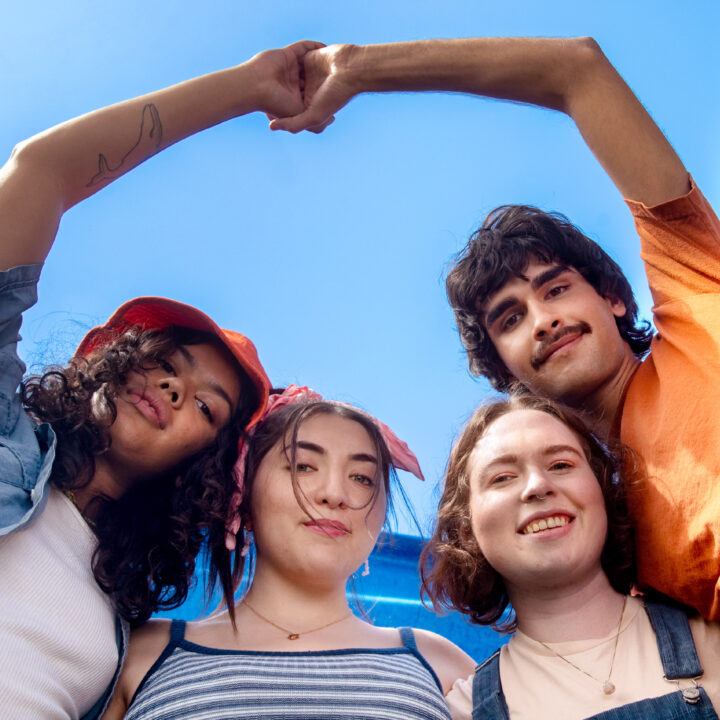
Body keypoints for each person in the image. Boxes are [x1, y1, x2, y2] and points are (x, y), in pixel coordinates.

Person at [268, 36, 720, 620]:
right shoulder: (590, 529)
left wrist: (355, 69)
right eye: (511, 318)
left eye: (556, 289)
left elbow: (577, 69)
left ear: (612, 297)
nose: (544, 319)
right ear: (502, 368)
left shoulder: (696, 298)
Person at [0, 41, 330, 719]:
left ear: (201, 462)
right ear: (116, 358)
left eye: (207, 409)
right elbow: (38, 172)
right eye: (166, 364)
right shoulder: (7, 437)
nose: (176, 392)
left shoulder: (126, 616)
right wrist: (247, 87)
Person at [102, 385, 475, 720]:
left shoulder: (439, 666)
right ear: (241, 496)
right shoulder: (143, 653)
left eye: (362, 477)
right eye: (303, 466)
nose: (334, 493)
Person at [421, 393, 720, 719]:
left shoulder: (712, 633)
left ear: (604, 492)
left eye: (561, 465)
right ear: (466, 529)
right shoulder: (462, 712)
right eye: (502, 477)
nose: (537, 485)